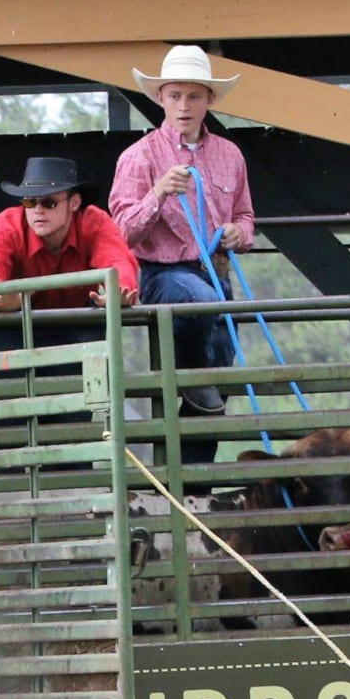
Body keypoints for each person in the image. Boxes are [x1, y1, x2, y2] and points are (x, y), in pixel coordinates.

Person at [111, 44, 254, 454]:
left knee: (217, 387)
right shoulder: (138, 158)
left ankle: (195, 485)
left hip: (217, 273)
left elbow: (246, 217)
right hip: (163, 275)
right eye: (175, 95)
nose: (183, 106)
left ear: (209, 99)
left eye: (194, 96)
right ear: (160, 98)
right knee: (201, 305)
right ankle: (197, 379)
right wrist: (158, 193)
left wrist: (237, 234)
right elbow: (121, 234)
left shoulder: (231, 156)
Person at [0, 156, 140, 356]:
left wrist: (120, 292)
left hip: (72, 322)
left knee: (92, 353)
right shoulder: (5, 225)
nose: (38, 210)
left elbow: (117, 260)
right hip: (9, 322)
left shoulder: (95, 222)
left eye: (49, 203)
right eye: (29, 202)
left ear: (74, 203)